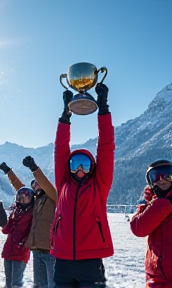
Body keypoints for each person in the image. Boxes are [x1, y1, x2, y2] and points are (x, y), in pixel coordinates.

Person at [51, 83, 114, 288]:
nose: (79, 169)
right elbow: (61, 148)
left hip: (91, 260)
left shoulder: (99, 186)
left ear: (93, 167)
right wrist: (65, 118)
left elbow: (106, 147)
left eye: (85, 165)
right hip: (62, 259)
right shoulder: (63, 184)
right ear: (68, 167)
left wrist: (103, 110)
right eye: (75, 164)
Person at [0, 158, 57, 288]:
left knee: (53, 284)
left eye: (38, 184)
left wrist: (34, 169)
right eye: (33, 185)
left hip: (51, 249)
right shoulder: (35, 200)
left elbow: (47, 186)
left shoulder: (54, 198)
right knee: (39, 284)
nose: (35, 186)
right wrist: (8, 172)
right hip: (36, 248)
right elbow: (20, 188)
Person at [130, 160, 172, 287]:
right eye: (156, 176)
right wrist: (166, 203)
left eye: (167, 175)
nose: (162, 179)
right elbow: (138, 229)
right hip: (155, 280)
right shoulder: (150, 204)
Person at [1, 187, 34, 288]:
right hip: (9, 250)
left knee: (16, 283)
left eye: (25, 198)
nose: (22, 201)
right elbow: (5, 230)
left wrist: (23, 243)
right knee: (8, 282)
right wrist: (8, 217)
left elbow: (31, 232)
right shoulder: (16, 212)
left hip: (20, 251)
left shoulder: (32, 213)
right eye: (20, 198)